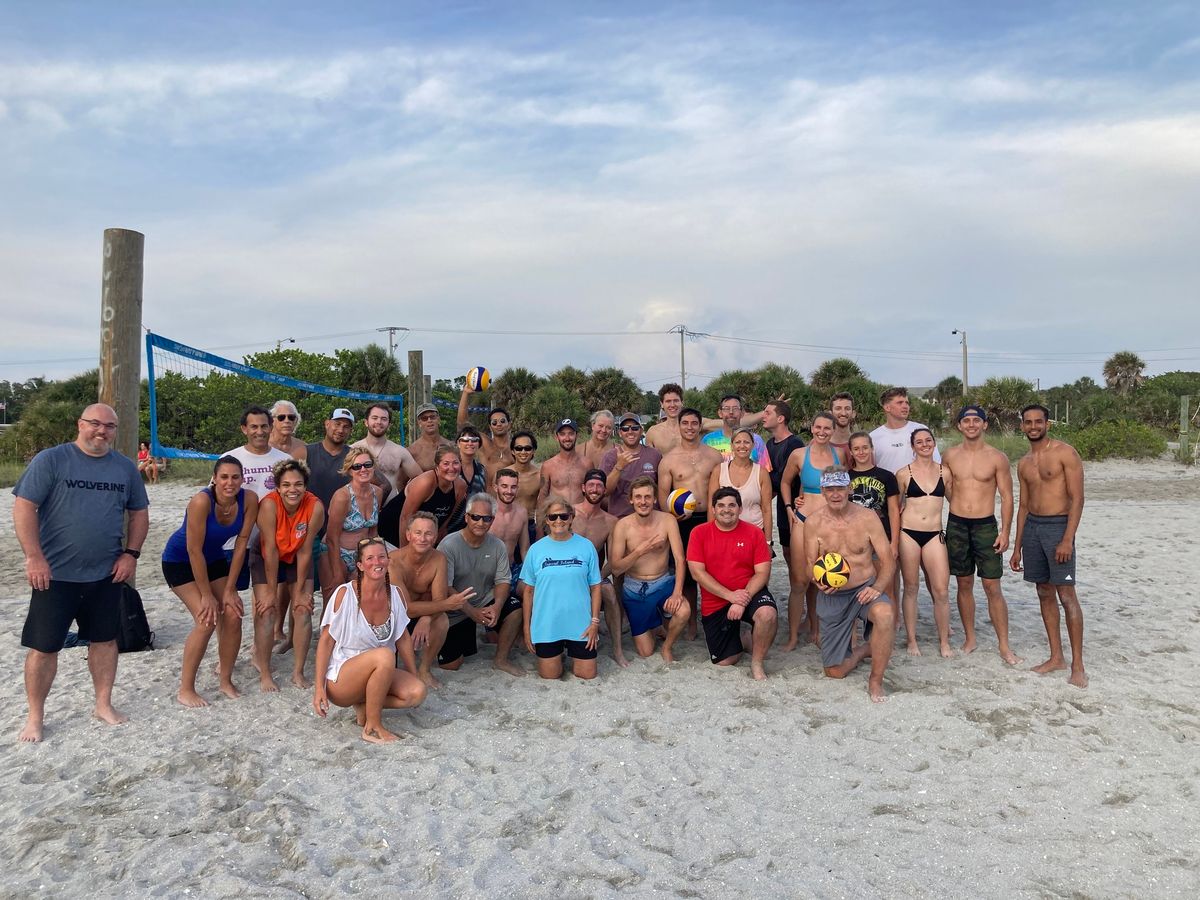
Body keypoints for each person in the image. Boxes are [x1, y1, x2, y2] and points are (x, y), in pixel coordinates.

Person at [13, 403, 149, 742]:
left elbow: (139, 513)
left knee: (104, 641)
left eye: (110, 426)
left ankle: (102, 704)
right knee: (44, 647)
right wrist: (34, 557)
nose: (102, 431)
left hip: (106, 573)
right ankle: (35, 715)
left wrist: (131, 555)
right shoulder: (52, 460)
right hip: (55, 574)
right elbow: (24, 506)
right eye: (95, 424)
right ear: (80, 424)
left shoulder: (124, 468)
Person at [161, 455, 258, 707]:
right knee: (207, 619)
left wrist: (229, 590)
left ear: (242, 479)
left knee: (234, 613)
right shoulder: (201, 501)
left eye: (235, 477)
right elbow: (194, 550)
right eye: (224, 477)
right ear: (214, 478)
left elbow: (241, 544)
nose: (230, 482)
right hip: (180, 561)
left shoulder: (248, 499)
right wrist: (207, 595)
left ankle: (225, 679)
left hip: (214, 558)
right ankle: (186, 689)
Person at [313, 537, 427, 744]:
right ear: (360, 565)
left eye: (382, 557)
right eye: (370, 558)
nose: (377, 562)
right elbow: (326, 642)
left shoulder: (396, 594)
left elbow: (402, 637)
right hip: (342, 676)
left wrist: (413, 673)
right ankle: (372, 726)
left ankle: (366, 707)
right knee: (384, 655)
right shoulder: (344, 594)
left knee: (416, 692)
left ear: (388, 560)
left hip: (379, 669)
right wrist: (319, 687)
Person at [803, 466, 897, 702]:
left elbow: (887, 562)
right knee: (834, 672)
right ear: (823, 491)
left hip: (864, 588)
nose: (836, 494)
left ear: (849, 488)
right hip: (833, 596)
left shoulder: (868, 518)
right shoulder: (814, 522)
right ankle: (865, 650)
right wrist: (818, 582)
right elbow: (809, 564)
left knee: (885, 614)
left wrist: (876, 588)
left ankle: (875, 681)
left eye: (840, 488)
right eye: (830, 489)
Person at [1011, 404, 1087, 688]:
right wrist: (1017, 547)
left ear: (1047, 424)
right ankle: (1057, 656)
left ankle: (1077, 665)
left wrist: (1067, 538)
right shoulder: (1024, 462)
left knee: (1067, 595)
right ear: (1022, 426)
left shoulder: (1065, 453)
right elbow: (1023, 505)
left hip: (1058, 527)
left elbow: (1077, 499)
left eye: (1038, 421)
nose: (1033, 426)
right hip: (1033, 527)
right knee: (1043, 592)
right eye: (1028, 422)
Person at [942, 405, 1021, 665]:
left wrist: (1006, 531)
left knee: (992, 586)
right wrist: (959, 507)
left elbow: (1007, 497)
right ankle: (970, 637)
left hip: (986, 526)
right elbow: (947, 488)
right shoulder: (950, 455)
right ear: (960, 426)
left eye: (977, 420)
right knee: (964, 583)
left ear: (985, 425)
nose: (972, 424)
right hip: (957, 525)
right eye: (967, 420)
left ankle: (1004, 645)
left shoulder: (997, 457)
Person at [687, 486, 777, 680]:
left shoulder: (754, 533)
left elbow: (762, 573)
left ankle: (757, 662)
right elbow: (697, 573)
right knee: (724, 661)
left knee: (767, 614)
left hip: (748, 592)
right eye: (721, 505)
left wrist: (740, 600)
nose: (726, 509)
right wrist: (730, 596)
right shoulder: (699, 533)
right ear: (713, 509)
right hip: (717, 599)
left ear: (740, 509)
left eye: (731, 505)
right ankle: (745, 638)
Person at [253, 459, 325, 691]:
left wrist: (301, 592)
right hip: (266, 554)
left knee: (303, 609)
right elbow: (271, 550)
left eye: (298, 484)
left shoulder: (315, 506)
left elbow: (305, 551)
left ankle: (298, 672)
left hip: (297, 554)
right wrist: (272, 593)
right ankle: (265, 672)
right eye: (286, 485)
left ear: (306, 486)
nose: (292, 490)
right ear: (277, 487)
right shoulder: (269, 505)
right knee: (267, 610)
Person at [656, 407, 723, 637]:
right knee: (686, 572)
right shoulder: (668, 460)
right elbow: (662, 496)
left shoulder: (714, 456)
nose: (690, 427)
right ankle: (692, 623)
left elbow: (721, 491)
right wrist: (672, 516)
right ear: (679, 426)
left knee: (712, 570)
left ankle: (712, 618)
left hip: (709, 519)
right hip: (682, 521)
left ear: (700, 425)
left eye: (694, 423)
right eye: (685, 423)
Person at [521, 496, 603, 680]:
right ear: (546, 520)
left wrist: (595, 622)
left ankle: (569, 652)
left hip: (580, 623)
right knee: (551, 675)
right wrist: (527, 627)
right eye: (553, 517)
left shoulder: (586, 546)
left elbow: (596, 587)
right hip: (548, 623)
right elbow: (528, 591)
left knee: (587, 674)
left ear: (572, 518)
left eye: (564, 516)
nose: (559, 521)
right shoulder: (536, 550)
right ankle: (558, 655)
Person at [608, 477, 689, 662]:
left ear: (654, 499)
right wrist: (640, 550)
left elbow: (679, 559)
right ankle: (656, 622)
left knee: (683, 611)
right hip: (635, 589)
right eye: (638, 497)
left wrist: (677, 593)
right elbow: (616, 568)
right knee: (645, 651)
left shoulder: (667, 520)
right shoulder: (623, 526)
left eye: (647, 497)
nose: (643, 502)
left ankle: (667, 647)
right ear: (631, 500)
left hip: (663, 583)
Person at [779, 411, 841, 650]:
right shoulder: (799, 455)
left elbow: (845, 486)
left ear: (833, 430)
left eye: (827, 428)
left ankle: (817, 628)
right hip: (803, 521)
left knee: (825, 579)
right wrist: (789, 507)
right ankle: (793, 636)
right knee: (799, 581)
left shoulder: (840, 454)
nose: (822, 432)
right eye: (818, 427)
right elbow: (785, 482)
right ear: (811, 428)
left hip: (831, 523)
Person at [438, 493, 519, 673]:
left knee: (515, 609)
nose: (480, 523)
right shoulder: (449, 544)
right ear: (466, 517)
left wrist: (497, 606)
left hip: (483, 599)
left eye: (486, 518)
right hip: (456, 608)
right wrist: (471, 612)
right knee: (451, 665)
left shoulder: (497, 545)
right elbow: (446, 586)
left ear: (492, 520)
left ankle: (501, 659)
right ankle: (468, 629)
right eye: (475, 517)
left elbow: (503, 580)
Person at [386, 512, 468, 687]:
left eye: (428, 533)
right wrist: (446, 604)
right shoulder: (393, 562)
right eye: (418, 533)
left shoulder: (438, 559)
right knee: (388, 673)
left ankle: (424, 669)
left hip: (420, 611)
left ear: (436, 536)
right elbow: (406, 608)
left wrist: (426, 619)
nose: (422, 538)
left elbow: (438, 598)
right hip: (393, 615)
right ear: (408, 535)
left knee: (442, 620)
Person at [224, 405, 292, 601]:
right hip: (233, 542)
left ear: (271, 427)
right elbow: (215, 499)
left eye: (264, 426)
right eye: (254, 427)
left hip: (273, 541)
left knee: (267, 599)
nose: (259, 432)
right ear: (244, 429)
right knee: (229, 600)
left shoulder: (284, 460)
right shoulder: (230, 458)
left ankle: (276, 633)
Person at [896, 428, 954, 658]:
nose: (924, 444)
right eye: (919, 442)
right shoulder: (903, 474)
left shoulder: (945, 472)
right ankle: (912, 640)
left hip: (934, 534)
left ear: (934, 442)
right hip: (908, 533)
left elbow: (956, 501)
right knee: (910, 588)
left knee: (941, 590)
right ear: (912, 446)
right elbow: (894, 506)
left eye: (928, 440)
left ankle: (943, 642)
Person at [573, 469, 627, 668]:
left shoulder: (610, 521)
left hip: (593, 575)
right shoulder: (569, 513)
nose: (595, 489)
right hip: (565, 572)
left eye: (599, 486)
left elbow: (613, 561)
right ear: (583, 488)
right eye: (591, 485)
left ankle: (618, 650)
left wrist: (595, 578)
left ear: (605, 490)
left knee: (610, 592)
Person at [846, 431, 901, 624]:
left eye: (865, 447)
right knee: (852, 587)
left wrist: (894, 543)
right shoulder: (845, 477)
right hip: (854, 540)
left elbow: (894, 511)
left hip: (881, 537)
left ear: (872, 448)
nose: (861, 452)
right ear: (851, 452)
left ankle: (890, 629)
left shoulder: (886, 476)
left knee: (886, 586)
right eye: (856, 448)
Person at [305, 408, 353, 604]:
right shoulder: (307, 452)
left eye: (346, 426)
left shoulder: (352, 456)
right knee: (301, 588)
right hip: (309, 529)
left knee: (333, 590)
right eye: (337, 423)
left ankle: (329, 631)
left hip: (339, 531)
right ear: (327, 424)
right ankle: (281, 632)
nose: (341, 429)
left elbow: (381, 483)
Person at [325, 447, 383, 586]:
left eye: (367, 465)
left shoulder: (378, 493)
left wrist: (371, 559)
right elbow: (332, 538)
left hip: (362, 554)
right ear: (350, 470)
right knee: (334, 597)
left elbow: (373, 531)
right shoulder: (342, 497)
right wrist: (337, 570)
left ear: (373, 466)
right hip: (337, 552)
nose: (363, 469)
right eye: (357, 466)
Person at [391, 446, 467, 547]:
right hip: (395, 527)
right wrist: (404, 552)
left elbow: (448, 517)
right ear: (437, 466)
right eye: (446, 463)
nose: (451, 468)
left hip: (422, 535)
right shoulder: (425, 483)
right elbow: (405, 517)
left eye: (456, 463)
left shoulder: (461, 486)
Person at [708, 426, 773, 544]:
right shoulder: (719, 470)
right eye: (738, 442)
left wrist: (768, 541)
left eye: (746, 442)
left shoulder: (761, 473)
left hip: (755, 532)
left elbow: (767, 509)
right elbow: (711, 506)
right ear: (732, 445)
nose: (742, 446)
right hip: (724, 532)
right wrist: (712, 536)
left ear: (753, 445)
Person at [763, 400, 805, 575]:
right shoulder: (769, 444)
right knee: (787, 551)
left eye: (767, 413)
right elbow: (769, 477)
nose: (763, 416)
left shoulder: (794, 443)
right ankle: (796, 589)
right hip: (781, 504)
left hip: (797, 503)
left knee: (799, 552)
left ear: (780, 418)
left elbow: (789, 478)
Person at [352, 402, 421, 498]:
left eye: (384, 419)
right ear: (366, 422)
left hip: (390, 510)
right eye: (374, 418)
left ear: (389, 425)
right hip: (359, 509)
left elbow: (420, 479)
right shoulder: (353, 450)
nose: (379, 422)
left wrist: (404, 499)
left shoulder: (400, 452)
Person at [601, 413, 663, 519]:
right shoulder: (610, 456)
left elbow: (662, 489)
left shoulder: (654, 455)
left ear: (641, 430)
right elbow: (605, 491)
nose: (630, 432)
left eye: (634, 428)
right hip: (621, 518)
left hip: (651, 518)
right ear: (620, 433)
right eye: (625, 429)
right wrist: (619, 467)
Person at [869, 387, 941, 473]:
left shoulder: (921, 430)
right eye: (900, 403)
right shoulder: (873, 437)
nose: (905, 406)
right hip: (888, 486)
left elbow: (936, 462)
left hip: (918, 485)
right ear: (887, 407)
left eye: (907, 403)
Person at [457, 386, 514, 474]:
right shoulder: (484, 444)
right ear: (490, 427)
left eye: (502, 421)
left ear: (509, 424)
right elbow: (463, 424)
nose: (498, 424)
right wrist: (465, 393)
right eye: (494, 422)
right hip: (482, 487)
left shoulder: (515, 449)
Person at [701, 395, 770, 467]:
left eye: (735, 408)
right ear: (720, 413)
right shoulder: (708, 440)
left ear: (742, 413)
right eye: (726, 409)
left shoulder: (756, 440)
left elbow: (765, 472)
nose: (731, 412)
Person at [489, 468, 531, 584]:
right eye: (504, 486)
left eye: (513, 487)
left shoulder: (522, 512)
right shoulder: (486, 512)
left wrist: (531, 575)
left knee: (532, 590)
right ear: (495, 487)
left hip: (511, 569)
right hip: (488, 572)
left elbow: (525, 549)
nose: (509, 491)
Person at [445, 426, 488, 533]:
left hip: (474, 527)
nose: (470, 443)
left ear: (479, 444)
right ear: (458, 443)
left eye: (474, 440)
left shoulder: (482, 470)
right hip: (448, 527)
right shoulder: (450, 469)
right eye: (465, 440)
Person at [538, 418, 588, 507]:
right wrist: (540, 520)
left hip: (580, 517)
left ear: (577, 436)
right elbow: (542, 496)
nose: (567, 438)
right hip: (558, 518)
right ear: (556, 437)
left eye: (571, 434)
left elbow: (591, 493)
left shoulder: (587, 464)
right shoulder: (548, 466)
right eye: (562, 434)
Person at [509, 431, 543, 539]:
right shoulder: (503, 475)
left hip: (530, 526)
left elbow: (543, 505)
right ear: (513, 451)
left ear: (533, 451)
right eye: (519, 448)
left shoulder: (540, 476)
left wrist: (539, 531)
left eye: (527, 448)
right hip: (508, 524)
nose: (523, 452)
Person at [408, 403, 454, 472]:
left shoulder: (451, 446)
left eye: (432, 417)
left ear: (438, 419)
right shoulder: (412, 451)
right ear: (419, 422)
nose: (429, 421)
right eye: (424, 418)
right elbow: (402, 481)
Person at [644, 384, 685, 453]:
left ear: (682, 403)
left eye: (676, 401)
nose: (672, 405)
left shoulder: (693, 428)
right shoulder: (653, 432)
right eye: (668, 401)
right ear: (662, 404)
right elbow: (649, 461)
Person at [829, 393, 857, 458]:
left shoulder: (861, 446)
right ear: (830, 414)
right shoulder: (819, 444)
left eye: (847, 408)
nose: (843, 413)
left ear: (853, 413)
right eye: (838, 408)